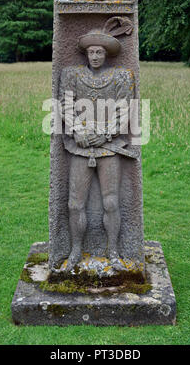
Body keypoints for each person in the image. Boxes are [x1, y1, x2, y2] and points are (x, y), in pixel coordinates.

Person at [59, 28, 135, 271]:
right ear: (85, 54)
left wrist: (105, 134)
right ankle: (75, 249)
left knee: (111, 202)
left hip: (110, 148)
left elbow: (125, 110)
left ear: (106, 54)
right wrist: (77, 131)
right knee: (74, 204)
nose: (94, 56)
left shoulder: (121, 77)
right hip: (80, 149)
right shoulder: (71, 75)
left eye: (99, 52)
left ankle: (112, 251)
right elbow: (65, 105)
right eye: (91, 51)